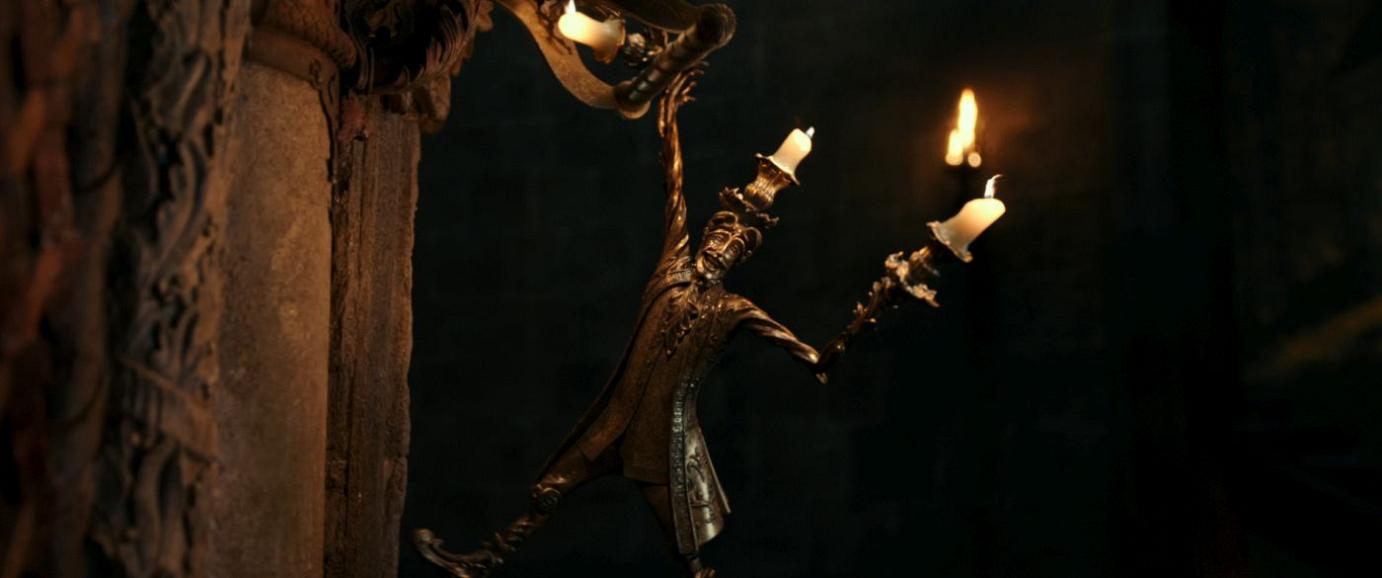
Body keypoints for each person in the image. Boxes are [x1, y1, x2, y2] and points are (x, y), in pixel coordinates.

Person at [414, 70, 830, 578]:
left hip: (661, 443)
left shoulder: (731, 309)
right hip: (613, 422)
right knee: (548, 491)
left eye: (732, 248)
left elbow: (795, 345)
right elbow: (674, 189)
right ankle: (479, 563)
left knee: (685, 549)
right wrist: (668, 118)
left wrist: (832, 348)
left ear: (739, 259)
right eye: (718, 238)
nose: (720, 249)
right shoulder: (674, 268)